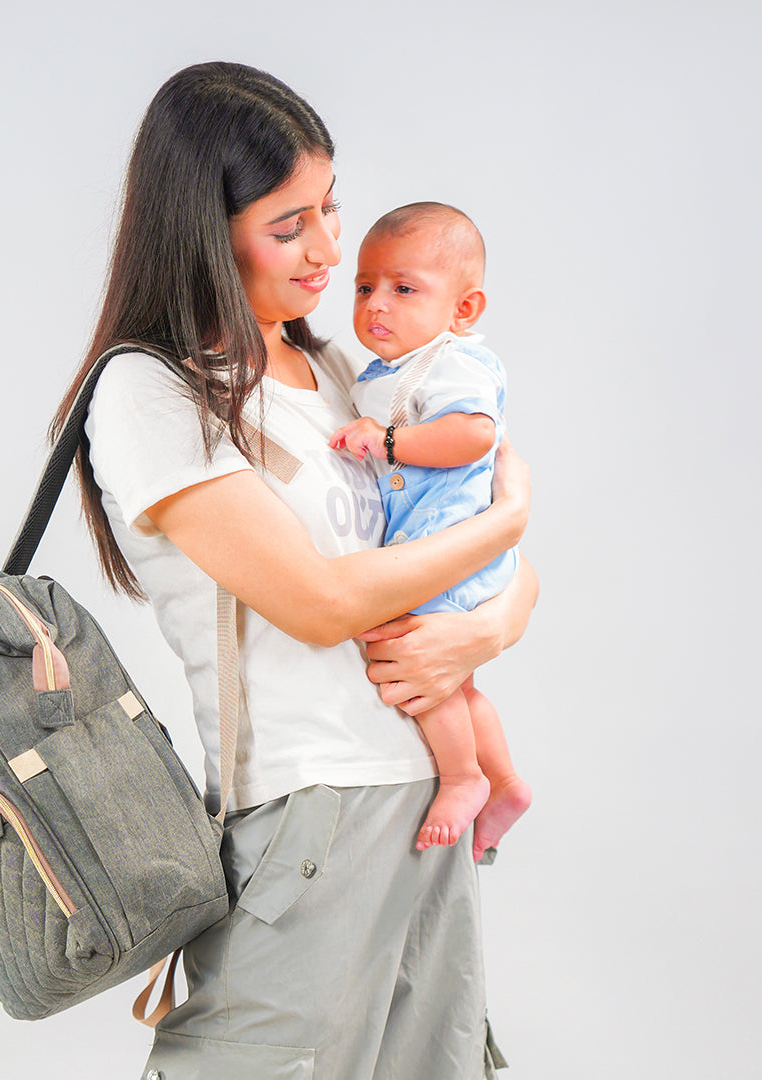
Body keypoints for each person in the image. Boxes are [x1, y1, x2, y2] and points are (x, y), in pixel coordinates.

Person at [52, 62, 537, 1080]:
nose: (329, 250)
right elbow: (322, 605)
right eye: (289, 225)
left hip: (422, 799)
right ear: (204, 232)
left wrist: (487, 628)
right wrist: (510, 522)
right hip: (309, 813)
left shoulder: (341, 373)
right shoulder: (154, 392)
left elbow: (485, 560)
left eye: (330, 208)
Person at [330, 203, 532, 862]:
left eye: (404, 288)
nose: (376, 304)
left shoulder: (452, 362)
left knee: (424, 671)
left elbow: (474, 434)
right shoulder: (385, 371)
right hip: (445, 546)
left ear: (463, 310)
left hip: (451, 544)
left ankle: (463, 777)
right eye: (365, 287)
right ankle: (505, 783)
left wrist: (387, 440)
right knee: (461, 685)